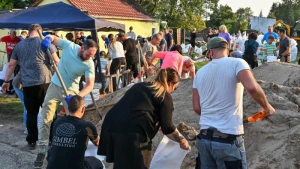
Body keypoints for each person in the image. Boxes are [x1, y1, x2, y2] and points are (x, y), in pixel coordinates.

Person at [193, 37, 275, 169]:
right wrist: (267, 107)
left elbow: (197, 107)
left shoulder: (200, 72)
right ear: (227, 49)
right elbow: (252, 87)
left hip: (204, 140)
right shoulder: (237, 63)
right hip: (227, 139)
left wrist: (213, 115)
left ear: (211, 52)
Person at [97, 68, 189, 169]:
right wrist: (182, 140)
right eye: (175, 88)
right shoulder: (164, 95)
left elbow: (136, 108)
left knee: (121, 164)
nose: (173, 91)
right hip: (132, 132)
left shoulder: (140, 86)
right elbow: (168, 128)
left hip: (111, 126)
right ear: (171, 83)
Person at [34, 35, 97, 168]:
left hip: (71, 92)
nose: (89, 57)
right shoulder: (69, 46)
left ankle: (72, 150)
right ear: (82, 48)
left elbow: (90, 85)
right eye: (87, 54)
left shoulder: (89, 64)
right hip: (55, 86)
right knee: (46, 118)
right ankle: (42, 148)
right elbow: (52, 38)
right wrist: (48, 40)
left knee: (75, 123)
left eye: (91, 56)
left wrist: (77, 97)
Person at [1, 24, 59, 150]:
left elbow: (11, 65)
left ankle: (32, 141)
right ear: (40, 31)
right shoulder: (45, 43)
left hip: (28, 84)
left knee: (31, 113)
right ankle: (51, 140)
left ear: (29, 32)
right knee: (48, 111)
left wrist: (6, 81)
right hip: (45, 82)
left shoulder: (19, 45)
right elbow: (56, 61)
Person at [46, 95, 103, 169]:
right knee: (97, 162)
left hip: (52, 166)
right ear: (83, 109)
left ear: (68, 108)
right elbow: (98, 143)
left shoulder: (57, 122)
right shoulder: (87, 126)